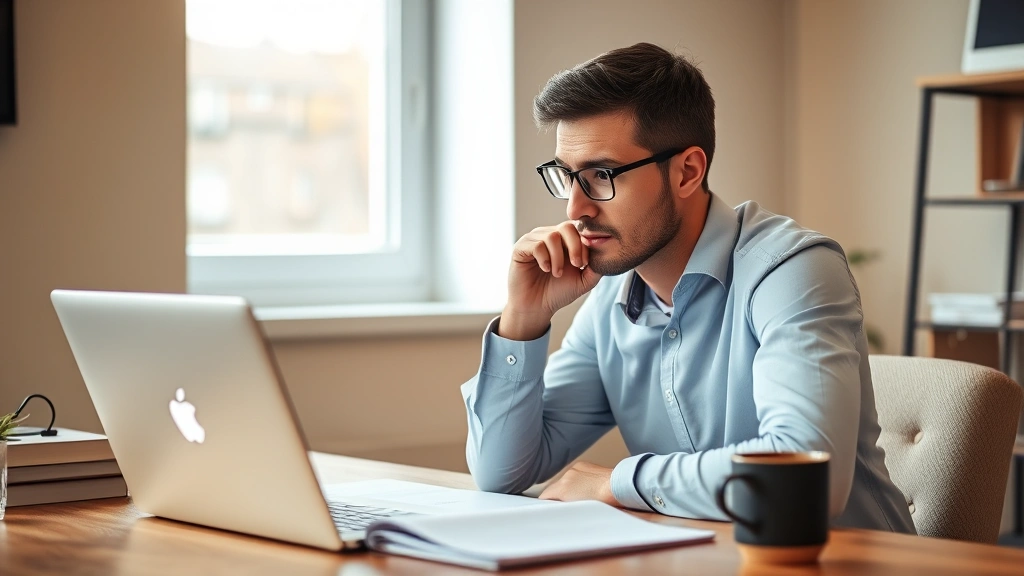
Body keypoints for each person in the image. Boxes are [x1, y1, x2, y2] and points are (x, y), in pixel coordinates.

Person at [460, 42, 915, 533]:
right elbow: (500, 473)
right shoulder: (609, 301)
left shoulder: (792, 271)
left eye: (602, 175)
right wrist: (523, 320)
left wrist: (618, 482)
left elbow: (805, 481)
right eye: (567, 177)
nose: (575, 209)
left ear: (687, 171)